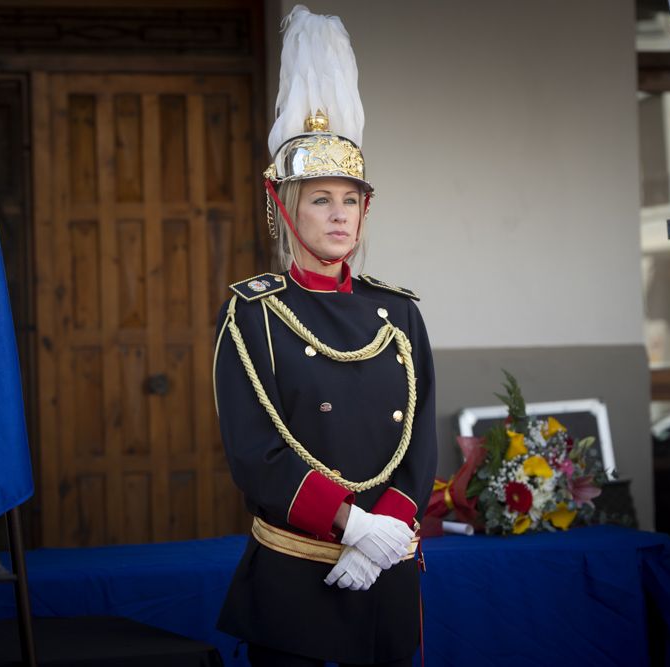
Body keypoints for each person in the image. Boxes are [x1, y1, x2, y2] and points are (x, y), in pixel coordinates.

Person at [212, 6, 438, 666]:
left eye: (350, 200)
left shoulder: (399, 314)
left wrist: (388, 529)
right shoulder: (252, 313)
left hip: (387, 569)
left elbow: (418, 438)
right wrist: (352, 525)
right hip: (297, 575)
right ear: (285, 206)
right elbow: (255, 451)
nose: (339, 215)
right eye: (320, 199)